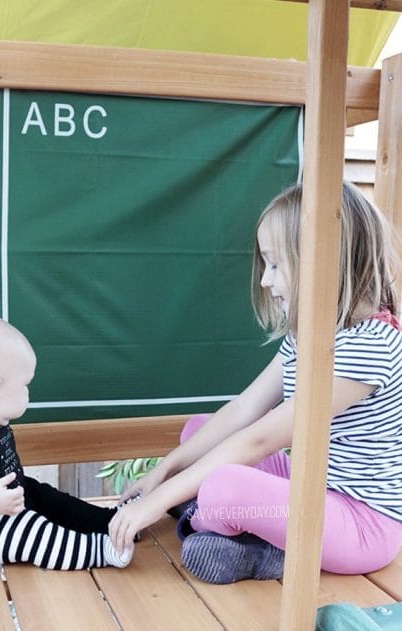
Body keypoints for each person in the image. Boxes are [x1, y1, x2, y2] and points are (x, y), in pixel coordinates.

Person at [109, 181, 402, 583]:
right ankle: (224, 522)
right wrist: (165, 471)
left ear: (323, 261)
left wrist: (157, 501)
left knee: (223, 489)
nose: (266, 280)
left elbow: (258, 440)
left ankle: (258, 548)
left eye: (276, 264)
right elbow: (245, 410)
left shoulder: (370, 346)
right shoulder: (312, 333)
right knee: (199, 431)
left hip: (361, 525)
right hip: (313, 485)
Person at [0, 313, 133, 569]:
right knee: (28, 531)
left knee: (48, 498)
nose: (28, 392)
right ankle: (98, 551)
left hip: (4, 504)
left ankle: (112, 523)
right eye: (25, 385)